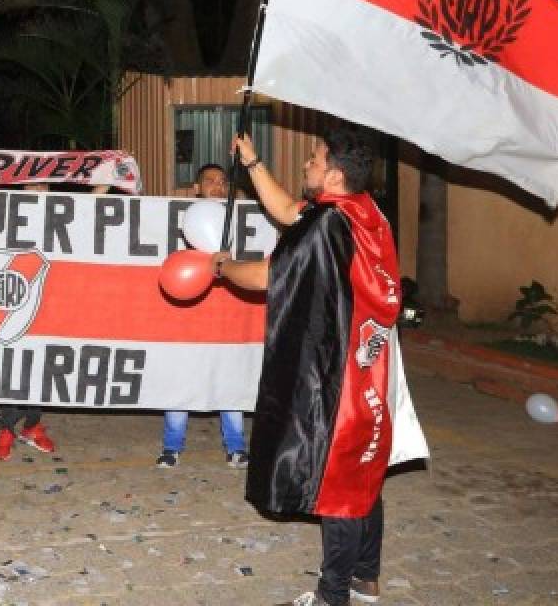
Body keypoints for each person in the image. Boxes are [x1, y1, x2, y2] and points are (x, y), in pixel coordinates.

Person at [211, 127, 405, 606]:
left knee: (340, 487)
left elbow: (265, 276)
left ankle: (331, 595)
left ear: (334, 174)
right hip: (371, 371)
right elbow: (286, 212)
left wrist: (222, 267)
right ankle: (366, 579)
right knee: (363, 476)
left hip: (338, 377)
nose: (305, 164)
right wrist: (254, 163)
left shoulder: (326, 224)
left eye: (314, 159)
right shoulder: (364, 213)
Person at [157, 163, 249, 470]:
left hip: (226, 317)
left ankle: (236, 447)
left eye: (223, 182)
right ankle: (172, 447)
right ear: (197, 188)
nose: (218, 187)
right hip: (189, 316)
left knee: (229, 381)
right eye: (210, 181)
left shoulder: (241, 222)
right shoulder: (184, 222)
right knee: (181, 380)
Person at [0, 180, 57, 460]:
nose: (39, 191)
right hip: (13, 306)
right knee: (15, 373)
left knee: (39, 373)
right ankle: (8, 429)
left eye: (44, 186)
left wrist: (107, 179)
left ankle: (31, 427)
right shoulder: (9, 218)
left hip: (47, 305)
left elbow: (94, 207)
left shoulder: (60, 218)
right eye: (32, 186)